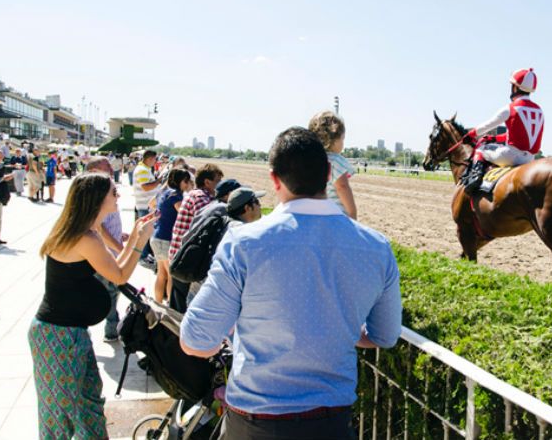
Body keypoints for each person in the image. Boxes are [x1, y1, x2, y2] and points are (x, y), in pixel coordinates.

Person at [180, 127, 402, 440]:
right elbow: (386, 335)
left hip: (255, 422)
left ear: (274, 179)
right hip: (332, 423)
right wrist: (340, 328)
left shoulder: (243, 243)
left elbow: (195, 340)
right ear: (327, 173)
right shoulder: (377, 247)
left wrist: (230, 333)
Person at [28, 173, 157, 439]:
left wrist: (134, 236)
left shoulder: (87, 232)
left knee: (88, 404)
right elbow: (119, 275)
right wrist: (141, 243)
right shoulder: (85, 238)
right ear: (97, 198)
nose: (118, 196)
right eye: (113, 192)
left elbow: (114, 267)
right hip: (58, 335)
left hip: (69, 334)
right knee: (60, 415)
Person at [460, 68, 545, 194]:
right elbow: (521, 135)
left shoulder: (510, 108)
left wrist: (471, 134)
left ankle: (475, 179)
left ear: (515, 87)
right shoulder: (540, 110)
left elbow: (487, 125)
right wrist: (494, 138)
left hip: (510, 156)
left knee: (480, 149)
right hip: (530, 159)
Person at [168, 163, 224, 312]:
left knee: (179, 302)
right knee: (182, 307)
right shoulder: (200, 197)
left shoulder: (195, 194)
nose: (219, 185)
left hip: (181, 256)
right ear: (207, 182)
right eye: (217, 181)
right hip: (184, 260)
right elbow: (208, 220)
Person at [85, 156, 128, 342]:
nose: (111, 167)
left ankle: (111, 328)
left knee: (112, 292)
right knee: (108, 291)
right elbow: (99, 229)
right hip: (105, 253)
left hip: (110, 249)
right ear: (94, 170)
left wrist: (121, 235)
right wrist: (121, 247)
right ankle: (108, 329)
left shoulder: (103, 190)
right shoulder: (94, 193)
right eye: (106, 165)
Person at [150, 168, 193, 304]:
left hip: (156, 237)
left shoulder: (164, 193)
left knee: (161, 274)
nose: (187, 184)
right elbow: (184, 212)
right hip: (167, 239)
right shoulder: (176, 196)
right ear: (180, 181)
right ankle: (169, 305)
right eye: (186, 181)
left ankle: (157, 304)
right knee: (170, 276)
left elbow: (151, 204)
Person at [308, 110, 357, 219]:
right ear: (333, 140)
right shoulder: (336, 161)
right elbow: (342, 187)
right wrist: (352, 213)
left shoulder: (309, 160)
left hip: (313, 214)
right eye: (342, 139)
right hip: (335, 215)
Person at [133, 150, 160, 265]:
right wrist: (158, 181)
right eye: (155, 159)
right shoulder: (142, 170)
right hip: (144, 205)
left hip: (146, 205)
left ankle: (144, 255)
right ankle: (142, 257)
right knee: (144, 232)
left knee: (146, 231)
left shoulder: (145, 169)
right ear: (149, 159)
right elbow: (145, 187)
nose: (156, 162)